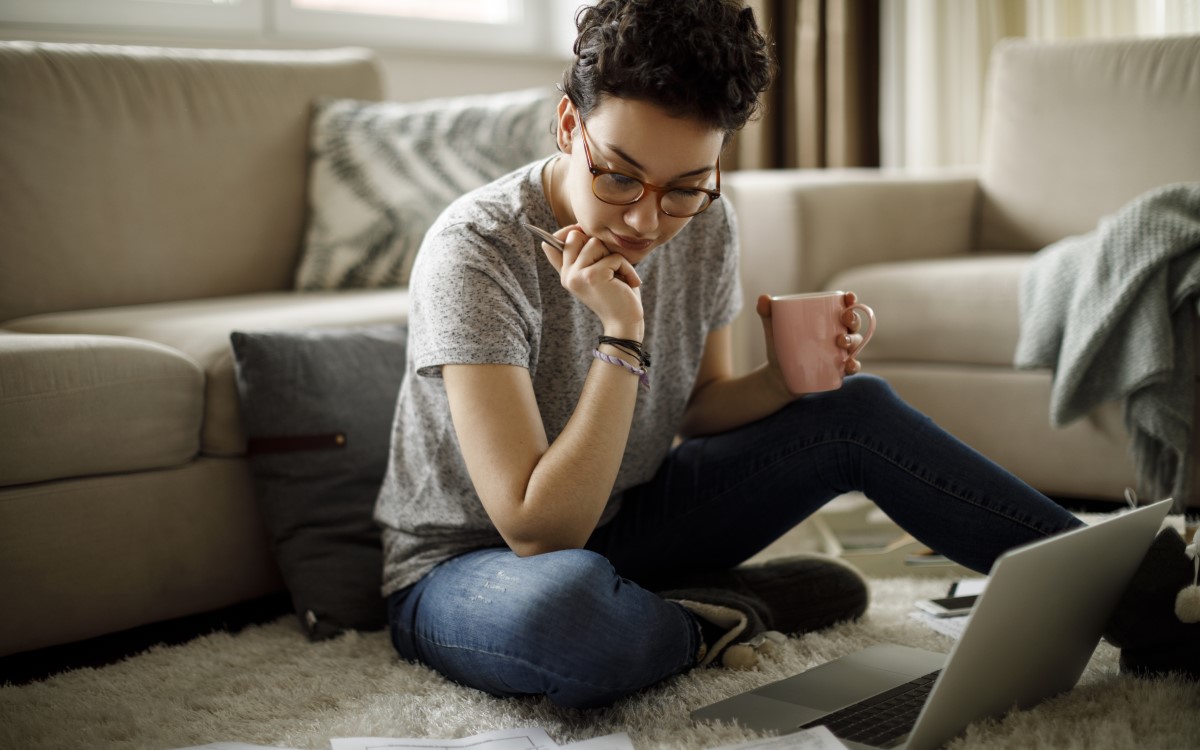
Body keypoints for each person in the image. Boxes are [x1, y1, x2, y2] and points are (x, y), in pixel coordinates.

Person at [375, 0, 1191, 709]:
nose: (647, 220)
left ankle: (1152, 595)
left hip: (628, 521)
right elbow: (536, 528)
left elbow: (699, 408)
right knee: (571, 621)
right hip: (471, 567)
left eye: (687, 186)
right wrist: (621, 336)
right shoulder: (476, 251)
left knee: (854, 412)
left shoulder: (708, 223)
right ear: (567, 125)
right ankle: (712, 613)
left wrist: (789, 379)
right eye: (620, 177)